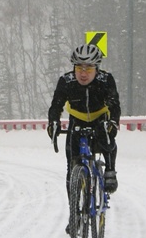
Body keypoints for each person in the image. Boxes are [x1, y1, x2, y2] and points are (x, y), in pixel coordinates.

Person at [47, 44, 121, 199]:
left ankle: (110, 170)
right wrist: (53, 123)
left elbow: (114, 105)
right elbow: (56, 105)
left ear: (97, 68)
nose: (83, 73)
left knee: (106, 136)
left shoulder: (105, 80)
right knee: (71, 166)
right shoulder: (66, 81)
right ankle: (74, 215)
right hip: (77, 119)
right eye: (79, 68)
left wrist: (113, 123)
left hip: (99, 118)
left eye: (89, 68)